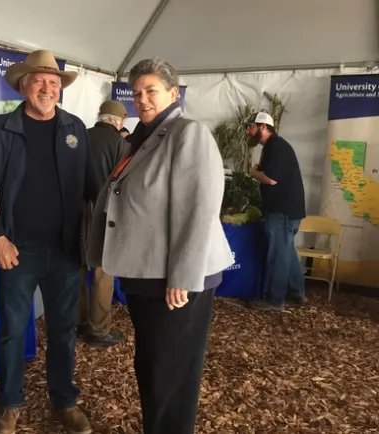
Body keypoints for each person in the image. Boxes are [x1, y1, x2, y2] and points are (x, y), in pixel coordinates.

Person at [86, 58, 234, 434]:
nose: (143, 99)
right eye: (137, 93)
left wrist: (181, 277)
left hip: (174, 278)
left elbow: (198, 210)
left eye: (151, 90)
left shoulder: (188, 133)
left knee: (172, 371)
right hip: (146, 274)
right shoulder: (144, 137)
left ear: (172, 92)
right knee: (152, 364)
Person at [0, 49, 93, 434]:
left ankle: (65, 400)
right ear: (24, 86)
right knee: (12, 330)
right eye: (40, 81)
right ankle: (9, 403)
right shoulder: (0, 129)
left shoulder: (75, 128)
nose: (47, 88)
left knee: (62, 330)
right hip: (16, 250)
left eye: (54, 82)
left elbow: (92, 189)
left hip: (64, 250)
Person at [78, 100, 129, 347]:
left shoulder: (79, 136)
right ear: (119, 122)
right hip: (104, 213)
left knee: (76, 267)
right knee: (102, 271)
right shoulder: (121, 144)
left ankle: (78, 322)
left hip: (74, 212)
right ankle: (98, 331)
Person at [244, 110, 307, 310]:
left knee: (278, 255)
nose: (248, 132)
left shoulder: (277, 147)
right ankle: (298, 293)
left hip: (281, 211)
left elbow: (271, 179)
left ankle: (275, 299)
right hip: (288, 211)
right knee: (286, 252)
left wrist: (254, 173)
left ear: (263, 126)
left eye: (251, 127)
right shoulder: (274, 146)